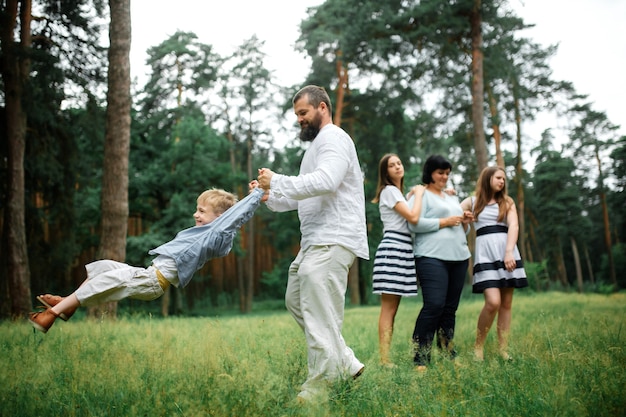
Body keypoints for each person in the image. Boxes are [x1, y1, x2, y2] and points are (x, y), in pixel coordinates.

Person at [256, 85, 369, 403]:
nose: (299, 120)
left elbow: (327, 181)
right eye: (296, 115)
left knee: (319, 312)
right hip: (315, 241)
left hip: (334, 237)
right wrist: (271, 196)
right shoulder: (316, 146)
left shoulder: (333, 137)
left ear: (322, 107)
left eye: (303, 113)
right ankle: (345, 361)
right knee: (296, 299)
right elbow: (303, 195)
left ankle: (319, 388)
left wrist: (277, 179)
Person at [29, 185, 265, 334]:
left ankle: (50, 315)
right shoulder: (207, 234)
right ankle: (67, 306)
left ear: (220, 218)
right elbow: (232, 217)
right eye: (197, 209)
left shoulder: (215, 235)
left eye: (202, 211)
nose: (196, 214)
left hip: (154, 281)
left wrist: (257, 193)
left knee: (111, 278)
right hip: (148, 274)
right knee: (104, 267)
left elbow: (236, 216)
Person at [407, 154, 473, 371]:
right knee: (434, 305)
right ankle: (420, 358)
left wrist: (465, 221)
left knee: (449, 309)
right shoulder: (420, 194)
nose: (444, 177)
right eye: (440, 173)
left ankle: (447, 352)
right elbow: (413, 225)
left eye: (447, 173)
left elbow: (461, 228)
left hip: (459, 256)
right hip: (431, 256)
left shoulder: (451, 197)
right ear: (430, 173)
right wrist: (444, 222)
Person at [460, 166, 528, 361]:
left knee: (506, 304)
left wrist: (509, 251)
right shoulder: (472, 202)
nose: (502, 182)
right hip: (485, 254)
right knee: (493, 302)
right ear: (488, 178)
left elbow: (514, 225)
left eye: (504, 179)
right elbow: (453, 212)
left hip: (507, 251)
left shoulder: (507, 202)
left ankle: (503, 350)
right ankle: (478, 347)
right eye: (499, 178)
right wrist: (463, 216)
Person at [371, 153, 423, 368]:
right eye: (392, 165)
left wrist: (414, 194)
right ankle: (384, 359)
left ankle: (386, 357)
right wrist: (419, 194)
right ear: (386, 172)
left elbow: (409, 210)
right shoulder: (390, 191)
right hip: (393, 247)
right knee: (389, 308)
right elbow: (413, 217)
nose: (397, 167)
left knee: (394, 307)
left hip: (402, 248)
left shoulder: (397, 193)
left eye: (399, 163)